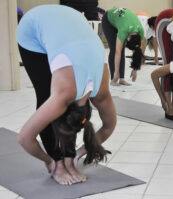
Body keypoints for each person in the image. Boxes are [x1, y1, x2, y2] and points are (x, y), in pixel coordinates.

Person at [16, 5, 116, 185]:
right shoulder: (62, 96)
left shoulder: (101, 92)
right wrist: (51, 162)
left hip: (71, 20)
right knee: (45, 95)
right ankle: (60, 165)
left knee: (57, 103)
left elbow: (108, 127)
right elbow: (24, 138)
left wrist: (76, 154)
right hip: (34, 25)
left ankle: (67, 159)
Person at [102, 7, 145, 86]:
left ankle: (121, 79)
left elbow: (138, 51)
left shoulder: (141, 32)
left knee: (122, 51)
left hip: (121, 20)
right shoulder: (124, 30)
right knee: (115, 49)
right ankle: (113, 79)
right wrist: (116, 72)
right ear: (128, 38)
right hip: (108, 19)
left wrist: (135, 69)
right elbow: (117, 52)